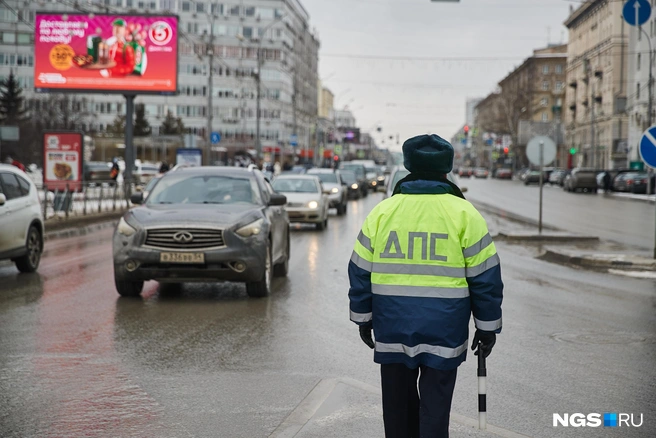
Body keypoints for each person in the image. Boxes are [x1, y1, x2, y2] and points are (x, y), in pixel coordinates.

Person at [348, 134, 503, 438]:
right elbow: (485, 278)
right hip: (444, 329)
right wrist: (486, 328)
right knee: (435, 411)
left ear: (408, 166)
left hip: (392, 327)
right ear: (447, 168)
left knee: (397, 411)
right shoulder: (465, 214)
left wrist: (363, 319)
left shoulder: (383, 213)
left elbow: (359, 271)